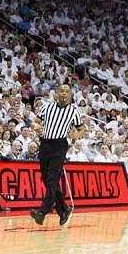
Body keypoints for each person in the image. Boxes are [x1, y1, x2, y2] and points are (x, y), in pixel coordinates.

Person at [29, 84, 84, 227]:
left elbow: (81, 129)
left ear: (71, 95)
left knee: (52, 179)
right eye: (62, 91)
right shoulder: (47, 107)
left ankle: (42, 212)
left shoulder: (74, 111)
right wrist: (35, 126)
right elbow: (35, 121)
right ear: (57, 93)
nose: (64, 94)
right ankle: (64, 209)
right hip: (45, 144)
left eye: (67, 92)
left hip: (60, 145)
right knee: (47, 180)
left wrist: (75, 136)